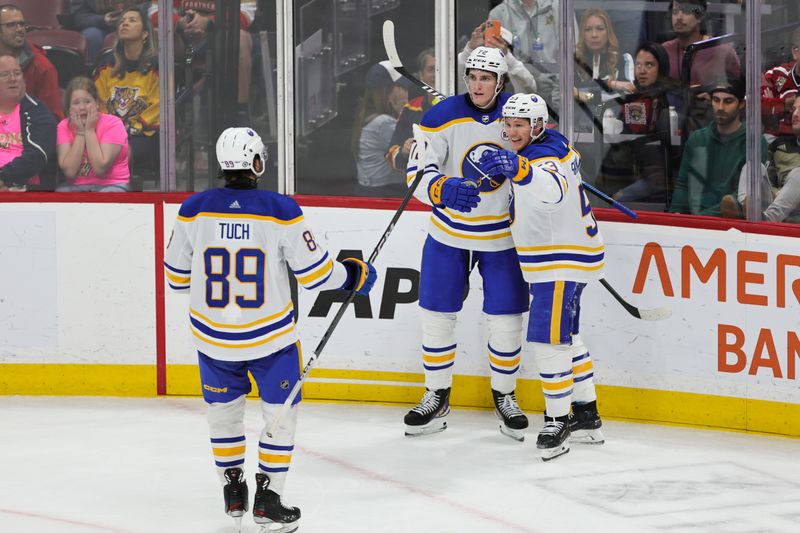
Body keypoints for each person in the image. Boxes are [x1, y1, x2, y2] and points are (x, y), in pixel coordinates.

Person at [164, 127, 377, 532]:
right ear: (258, 163)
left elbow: (175, 278)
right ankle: (269, 499)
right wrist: (352, 274)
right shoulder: (280, 210)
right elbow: (317, 275)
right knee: (280, 417)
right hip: (271, 340)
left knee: (223, 418)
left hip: (213, 341)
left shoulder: (192, 209)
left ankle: (233, 492)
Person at [403, 46, 530, 441]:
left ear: (500, 82)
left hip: (502, 237)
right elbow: (415, 173)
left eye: (486, 78)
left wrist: (523, 167)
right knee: (437, 316)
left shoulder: (518, 113)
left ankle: (505, 396)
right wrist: (439, 187)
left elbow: (543, 158)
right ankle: (436, 395)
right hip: (448, 233)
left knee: (506, 321)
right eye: (473, 77)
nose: (478, 84)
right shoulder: (441, 117)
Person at [477, 93, 605, 461]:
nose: (511, 131)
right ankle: (586, 413)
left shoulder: (544, 157)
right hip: (564, 253)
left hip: (560, 258)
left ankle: (557, 419)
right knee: (569, 336)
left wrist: (520, 170)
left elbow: (551, 190)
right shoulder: (554, 143)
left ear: (537, 126)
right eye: (508, 124)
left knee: (548, 341)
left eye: (519, 125)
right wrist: (516, 165)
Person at [670, 78, 767, 216]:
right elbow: (683, 184)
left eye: (728, 101)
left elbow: (745, 195)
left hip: (733, 222)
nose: (720, 107)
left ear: (741, 104)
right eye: (716, 100)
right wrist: (676, 213)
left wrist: (700, 219)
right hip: (695, 220)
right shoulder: (698, 139)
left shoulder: (754, 142)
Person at [606, 42, 677, 203]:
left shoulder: (668, 98)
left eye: (649, 65)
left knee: (613, 201)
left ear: (661, 68)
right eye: (638, 65)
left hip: (657, 178)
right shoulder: (632, 96)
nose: (642, 71)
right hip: (630, 172)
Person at [94, 7, 159, 177]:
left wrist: (130, 128)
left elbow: (159, 106)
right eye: (122, 21)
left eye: (132, 20)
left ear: (145, 33)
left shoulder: (157, 67)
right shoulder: (106, 65)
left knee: (121, 151)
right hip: (109, 133)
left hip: (143, 135)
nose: (125, 23)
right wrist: (111, 129)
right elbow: (98, 102)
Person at [488, 0, 579, 112]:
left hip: (556, 93)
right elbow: (495, 62)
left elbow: (570, 54)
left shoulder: (560, 8)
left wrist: (558, 95)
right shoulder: (498, 13)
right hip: (516, 96)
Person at [720, 97, 800, 223]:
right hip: (776, 207)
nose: (795, 114)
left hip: (795, 219)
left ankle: (760, 220)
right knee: (753, 166)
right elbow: (769, 181)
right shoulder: (779, 145)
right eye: (794, 109)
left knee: (798, 175)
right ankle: (746, 210)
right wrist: (778, 192)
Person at [55, 76, 130, 192]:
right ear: (68, 108)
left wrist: (89, 130)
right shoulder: (63, 126)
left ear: (97, 103)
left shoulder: (114, 124)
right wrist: (80, 133)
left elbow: (100, 168)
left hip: (112, 184)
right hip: (76, 186)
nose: (82, 107)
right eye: (76, 103)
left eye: (87, 102)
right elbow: (69, 172)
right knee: (61, 193)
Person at [0, 55, 56, 191]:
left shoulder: (38, 112)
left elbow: (37, 155)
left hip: (26, 190)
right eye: (5, 74)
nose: (13, 78)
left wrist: (2, 177)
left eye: (17, 73)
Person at [351, 60, 408, 193]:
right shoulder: (383, 122)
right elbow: (407, 151)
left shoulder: (365, 113)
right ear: (388, 92)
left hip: (369, 187)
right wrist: (404, 111)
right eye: (401, 88)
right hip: (384, 190)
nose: (405, 92)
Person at [0, 4, 62, 119]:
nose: (19, 29)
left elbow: (52, 117)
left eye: (22, 24)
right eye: (11, 25)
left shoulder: (42, 67)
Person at [660, 0, 740, 86]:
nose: (679, 17)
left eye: (686, 11)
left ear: (700, 16)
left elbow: (737, 89)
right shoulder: (664, 51)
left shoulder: (722, 51)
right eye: (675, 12)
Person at [387, 48, 437, 174]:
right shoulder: (410, 108)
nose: (436, 74)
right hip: (420, 185)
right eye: (431, 69)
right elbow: (391, 153)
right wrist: (404, 151)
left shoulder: (461, 106)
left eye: (440, 68)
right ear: (421, 76)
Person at [458, 21, 537, 95]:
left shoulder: (514, 79)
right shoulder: (471, 79)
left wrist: (507, 57)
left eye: (499, 45)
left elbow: (530, 89)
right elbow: (452, 75)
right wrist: (469, 50)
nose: (492, 53)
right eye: (485, 48)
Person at [574, 8, 634, 96]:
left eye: (600, 29)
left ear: (608, 32)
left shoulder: (624, 59)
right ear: (582, 34)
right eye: (588, 29)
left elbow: (630, 90)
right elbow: (570, 94)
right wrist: (613, 84)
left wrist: (609, 84)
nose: (594, 35)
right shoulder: (574, 62)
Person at [70, 1, 151, 64]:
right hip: (101, 26)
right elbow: (79, 17)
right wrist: (103, 20)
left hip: (134, 21)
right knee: (91, 35)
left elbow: (151, 5)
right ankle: (95, 74)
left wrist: (129, 14)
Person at [760, 26, 800, 140]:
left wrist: (773, 104)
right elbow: (754, 104)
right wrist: (787, 103)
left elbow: (768, 106)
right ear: (795, 51)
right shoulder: (779, 75)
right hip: (777, 138)